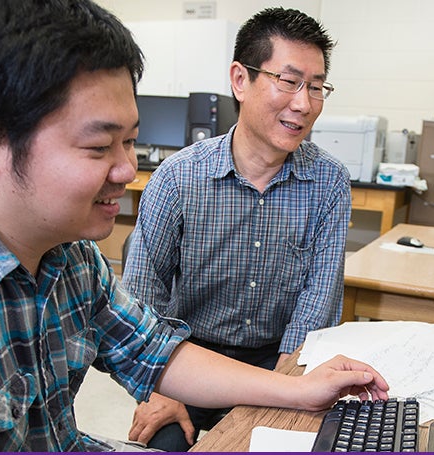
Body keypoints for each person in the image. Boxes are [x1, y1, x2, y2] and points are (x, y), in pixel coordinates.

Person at [0, 0, 389, 451]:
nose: (128, 171)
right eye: (100, 146)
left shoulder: (67, 248)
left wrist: (301, 390)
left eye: (130, 139)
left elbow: (152, 349)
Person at [121, 7, 351, 450]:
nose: (303, 104)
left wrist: (288, 391)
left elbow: (315, 310)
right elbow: (140, 304)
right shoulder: (178, 177)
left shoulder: (329, 183)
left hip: (275, 364)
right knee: (161, 441)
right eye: (288, 81)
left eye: (317, 87)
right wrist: (160, 390)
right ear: (240, 80)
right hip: (184, 361)